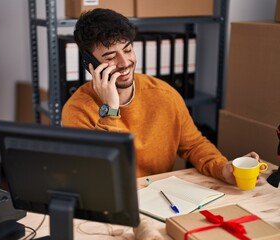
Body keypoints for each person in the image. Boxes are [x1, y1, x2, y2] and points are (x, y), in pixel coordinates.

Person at [61, 8, 260, 185]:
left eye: (128, 50)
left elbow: (194, 145)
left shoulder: (163, 94)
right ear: (91, 65)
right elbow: (95, 175)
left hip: (159, 199)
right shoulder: (77, 109)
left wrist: (222, 168)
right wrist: (111, 109)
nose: (125, 63)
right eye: (110, 57)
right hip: (109, 204)